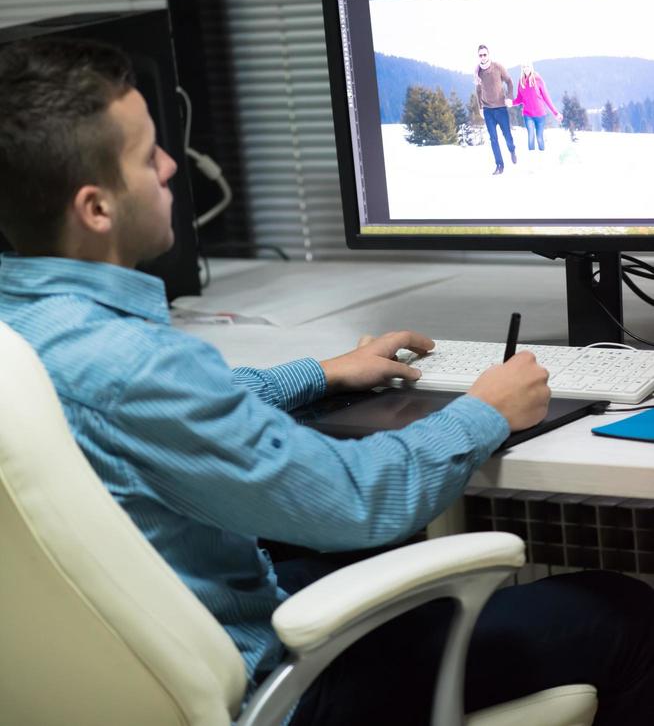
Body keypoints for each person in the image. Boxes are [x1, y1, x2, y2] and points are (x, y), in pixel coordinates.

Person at [1, 37, 654, 726]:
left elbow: (144, 416)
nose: (169, 166)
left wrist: (316, 374)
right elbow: (355, 499)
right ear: (95, 208)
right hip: (272, 693)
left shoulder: (31, 332)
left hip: (113, 677)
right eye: (146, 155)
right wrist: (484, 408)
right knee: (625, 614)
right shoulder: (137, 363)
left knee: (381, 553)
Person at [475, 44, 517, 175]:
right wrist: (480, 107)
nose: (483, 57)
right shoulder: (477, 73)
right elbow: (478, 91)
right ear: (478, 56)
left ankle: (512, 150)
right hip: (488, 110)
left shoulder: (498, 67)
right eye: (480, 55)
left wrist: (509, 97)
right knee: (493, 139)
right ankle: (499, 165)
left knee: (507, 136)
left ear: (489, 55)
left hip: (501, 109)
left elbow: (510, 81)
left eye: (484, 54)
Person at [508, 62, 563, 152]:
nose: (526, 68)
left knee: (539, 137)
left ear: (531, 67)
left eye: (528, 66)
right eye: (524, 66)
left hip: (540, 115)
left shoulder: (538, 80)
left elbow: (546, 98)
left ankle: (542, 157)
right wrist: (512, 103)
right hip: (527, 114)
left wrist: (555, 113)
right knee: (531, 135)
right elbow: (519, 99)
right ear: (522, 68)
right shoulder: (521, 81)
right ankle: (532, 159)